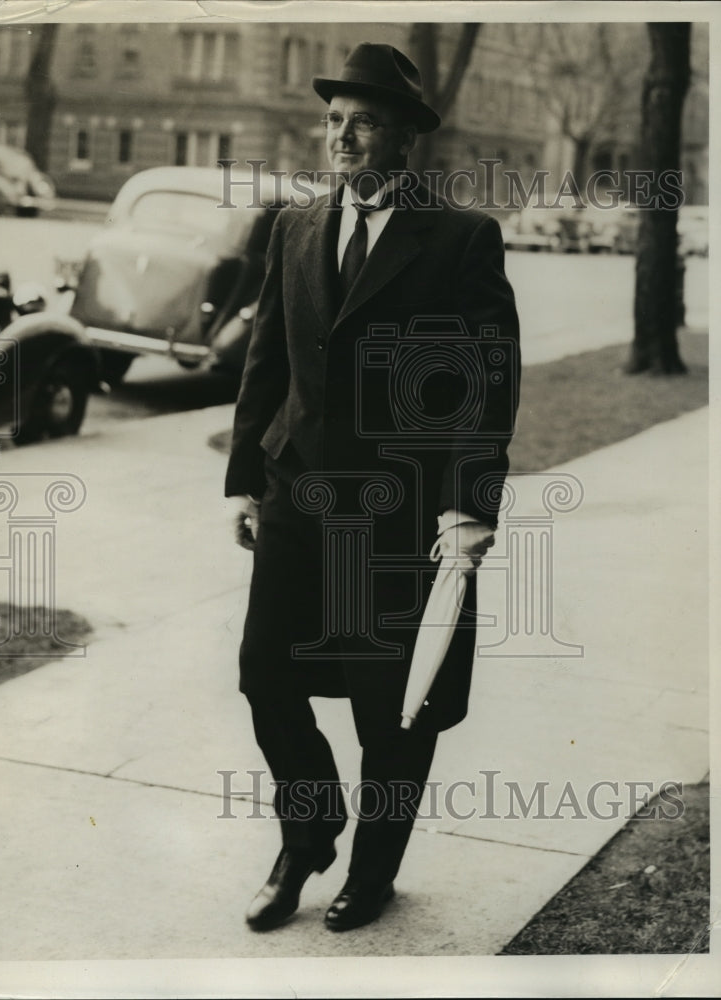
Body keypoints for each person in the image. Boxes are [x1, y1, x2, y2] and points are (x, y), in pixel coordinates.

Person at [225, 42, 520, 932]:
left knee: (388, 704)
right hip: (294, 493)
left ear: (402, 141)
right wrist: (243, 480)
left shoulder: (460, 238)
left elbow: (487, 379)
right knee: (262, 675)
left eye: (362, 123)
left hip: (395, 511)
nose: (340, 136)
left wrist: (469, 503)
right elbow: (266, 361)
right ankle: (308, 826)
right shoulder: (295, 228)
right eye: (332, 121)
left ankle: (373, 871)